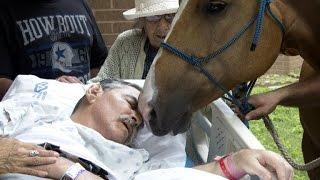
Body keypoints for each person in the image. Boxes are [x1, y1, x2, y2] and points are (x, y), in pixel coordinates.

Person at [0, 78, 293, 180]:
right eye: (130, 103)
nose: (134, 119)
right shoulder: (28, 117)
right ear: (94, 92)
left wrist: (235, 161)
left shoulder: (129, 159)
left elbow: (170, 177)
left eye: (139, 125)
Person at [0, 0, 108, 100]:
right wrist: (51, 90)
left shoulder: (80, 3)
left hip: (83, 110)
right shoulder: (6, 9)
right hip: (35, 116)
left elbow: (99, 63)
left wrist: (90, 92)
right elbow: (2, 81)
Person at [90, 0, 177, 82]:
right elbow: (101, 83)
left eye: (170, 16)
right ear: (142, 20)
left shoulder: (188, 48)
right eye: (153, 17)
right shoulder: (125, 42)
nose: (162, 27)